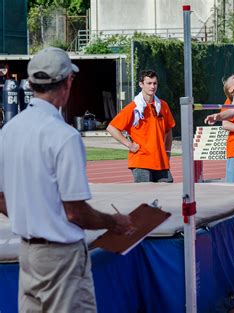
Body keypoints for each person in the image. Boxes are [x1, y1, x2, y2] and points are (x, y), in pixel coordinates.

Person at [0, 47, 134, 313]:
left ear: (32, 83)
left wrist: (32, 218)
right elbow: (75, 212)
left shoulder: (9, 130)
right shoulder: (64, 136)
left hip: (27, 252)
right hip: (61, 255)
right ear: (67, 83)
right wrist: (114, 223)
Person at [107, 70, 176, 183]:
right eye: (149, 83)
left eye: (155, 83)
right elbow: (111, 128)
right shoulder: (133, 107)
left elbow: (168, 130)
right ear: (141, 84)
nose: (152, 86)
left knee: (166, 194)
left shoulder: (163, 105)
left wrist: (167, 151)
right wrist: (129, 144)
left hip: (161, 161)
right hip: (141, 161)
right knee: (144, 196)